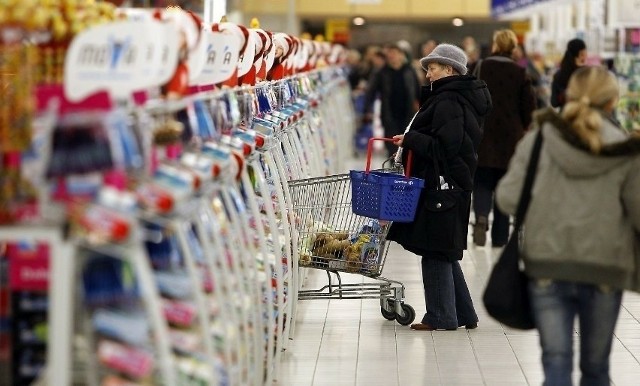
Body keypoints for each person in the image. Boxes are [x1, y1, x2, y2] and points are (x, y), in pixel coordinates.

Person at [496, 66, 640, 385]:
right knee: (596, 368)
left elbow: (507, 199)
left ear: (567, 95)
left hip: (548, 264)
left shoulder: (538, 140)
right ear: (612, 102)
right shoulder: (628, 152)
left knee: (556, 362)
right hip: (604, 267)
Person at [386, 43, 492, 331]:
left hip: (443, 182)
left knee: (434, 247)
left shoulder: (448, 101)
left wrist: (411, 141)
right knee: (443, 248)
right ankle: (465, 314)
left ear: (449, 69)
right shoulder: (455, 96)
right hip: (451, 181)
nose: (428, 73)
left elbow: (446, 146)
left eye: (432, 68)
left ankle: (441, 316)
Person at [471, 29, 536, 247]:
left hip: (483, 134)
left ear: (496, 44)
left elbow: (470, 96)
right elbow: (529, 107)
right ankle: (500, 237)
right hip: (511, 138)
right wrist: (524, 127)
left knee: (481, 181)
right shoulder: (520, 72)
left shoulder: (481, 67)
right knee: (504, 185)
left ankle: (480, 215)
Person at [363, 43, 420, 157]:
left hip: (407, 111)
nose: (392, 56)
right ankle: (393, 166)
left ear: (401, 55)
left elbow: (417, 89)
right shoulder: (382, 72)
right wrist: (368, 109)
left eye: (395, 53)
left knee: (407, 139)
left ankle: (405, 165)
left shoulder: (409, 71)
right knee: (391, 141)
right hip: (389, 112)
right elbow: (371, 91)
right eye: (390, 54)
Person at [550, 38, 587, 109]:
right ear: (579, 55)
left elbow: (554, 103)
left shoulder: (558, 75)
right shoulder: (587, 74)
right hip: (584, 116)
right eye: (583, 54)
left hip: (565, 116)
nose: (585, 56)